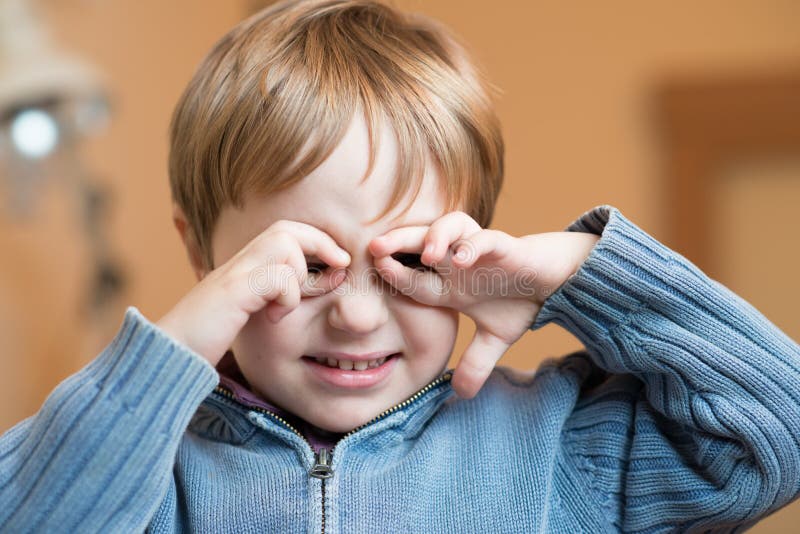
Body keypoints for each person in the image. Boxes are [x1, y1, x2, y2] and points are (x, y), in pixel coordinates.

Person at [1, 0, 799, 531]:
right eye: (306, 263)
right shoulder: (139, 465)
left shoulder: (565, 448)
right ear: (202, 252)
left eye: (406, 258)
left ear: (473, 250)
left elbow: (779, 433)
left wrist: (581, 271)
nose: (355, 314)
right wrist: (169, 358)